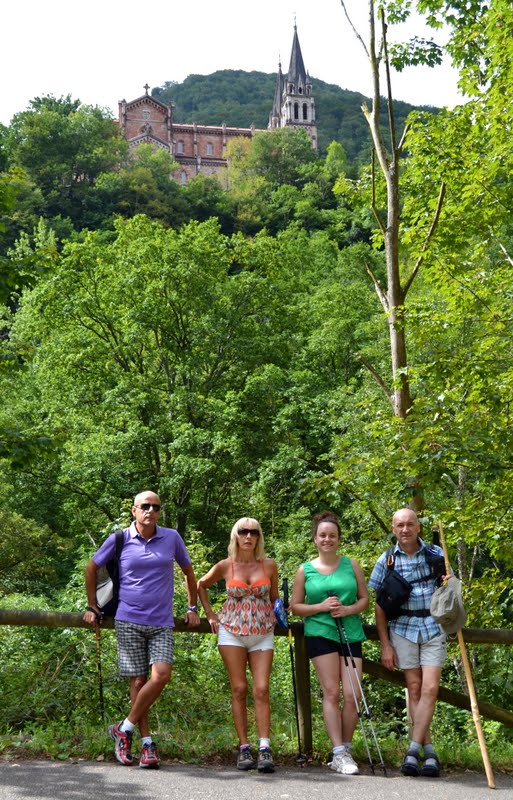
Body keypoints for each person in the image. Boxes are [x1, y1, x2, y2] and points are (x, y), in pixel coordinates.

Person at [83, 490, 200, 769]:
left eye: (155, 507)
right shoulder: (120, 538)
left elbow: (188, 572)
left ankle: (124, 727)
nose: (150, 510)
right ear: (134, 510)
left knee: (160, 676)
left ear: (159, 512)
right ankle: (147, 744)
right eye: (144, 506)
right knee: (137, 682)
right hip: (128, 619)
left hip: (161, 621)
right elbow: (91, 568)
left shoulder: (172, 538)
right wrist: (92, 606)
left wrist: (192, 608)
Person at [368, 508, 446, 778]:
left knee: (431, 688)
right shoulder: (387, 560)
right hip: (402, 629)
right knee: (414, 687)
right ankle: (429, 752)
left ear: (418, 527)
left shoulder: (437, 554)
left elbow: (451, 593)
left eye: (410, 524)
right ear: (393, 529)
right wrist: (385, 644)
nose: (405, 529)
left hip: (434, 627)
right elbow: (379, 607)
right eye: (400, 525)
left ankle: (413, 748)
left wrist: (450, 585)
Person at [197, 517, 279, 773]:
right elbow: (201, 584)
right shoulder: (225, 565)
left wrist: (281, 611)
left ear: (259, 537)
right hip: (231, 631)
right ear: (236, 536)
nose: (248, 536)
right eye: (243, 532)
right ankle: (244, 747)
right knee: (239, 688)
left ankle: (265, 748)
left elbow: (275, 597)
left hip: (263, 631)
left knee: (262, 689)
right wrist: (210, 614)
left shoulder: (270, 565)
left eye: (253, 532)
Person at [290, 511, 368, 776]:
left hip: (351, 632)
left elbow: (364, 600)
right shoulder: (305, 570)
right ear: (315, 538)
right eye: (322, 535)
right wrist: (321, 606)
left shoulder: (352, 564)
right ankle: (338, 752)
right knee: (331, 692)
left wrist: (348, 610)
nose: (327, 539)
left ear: (339, 539)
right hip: (320, 633)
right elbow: (295, 607)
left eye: (332, 535)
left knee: (353, 695)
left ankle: (345, 748)